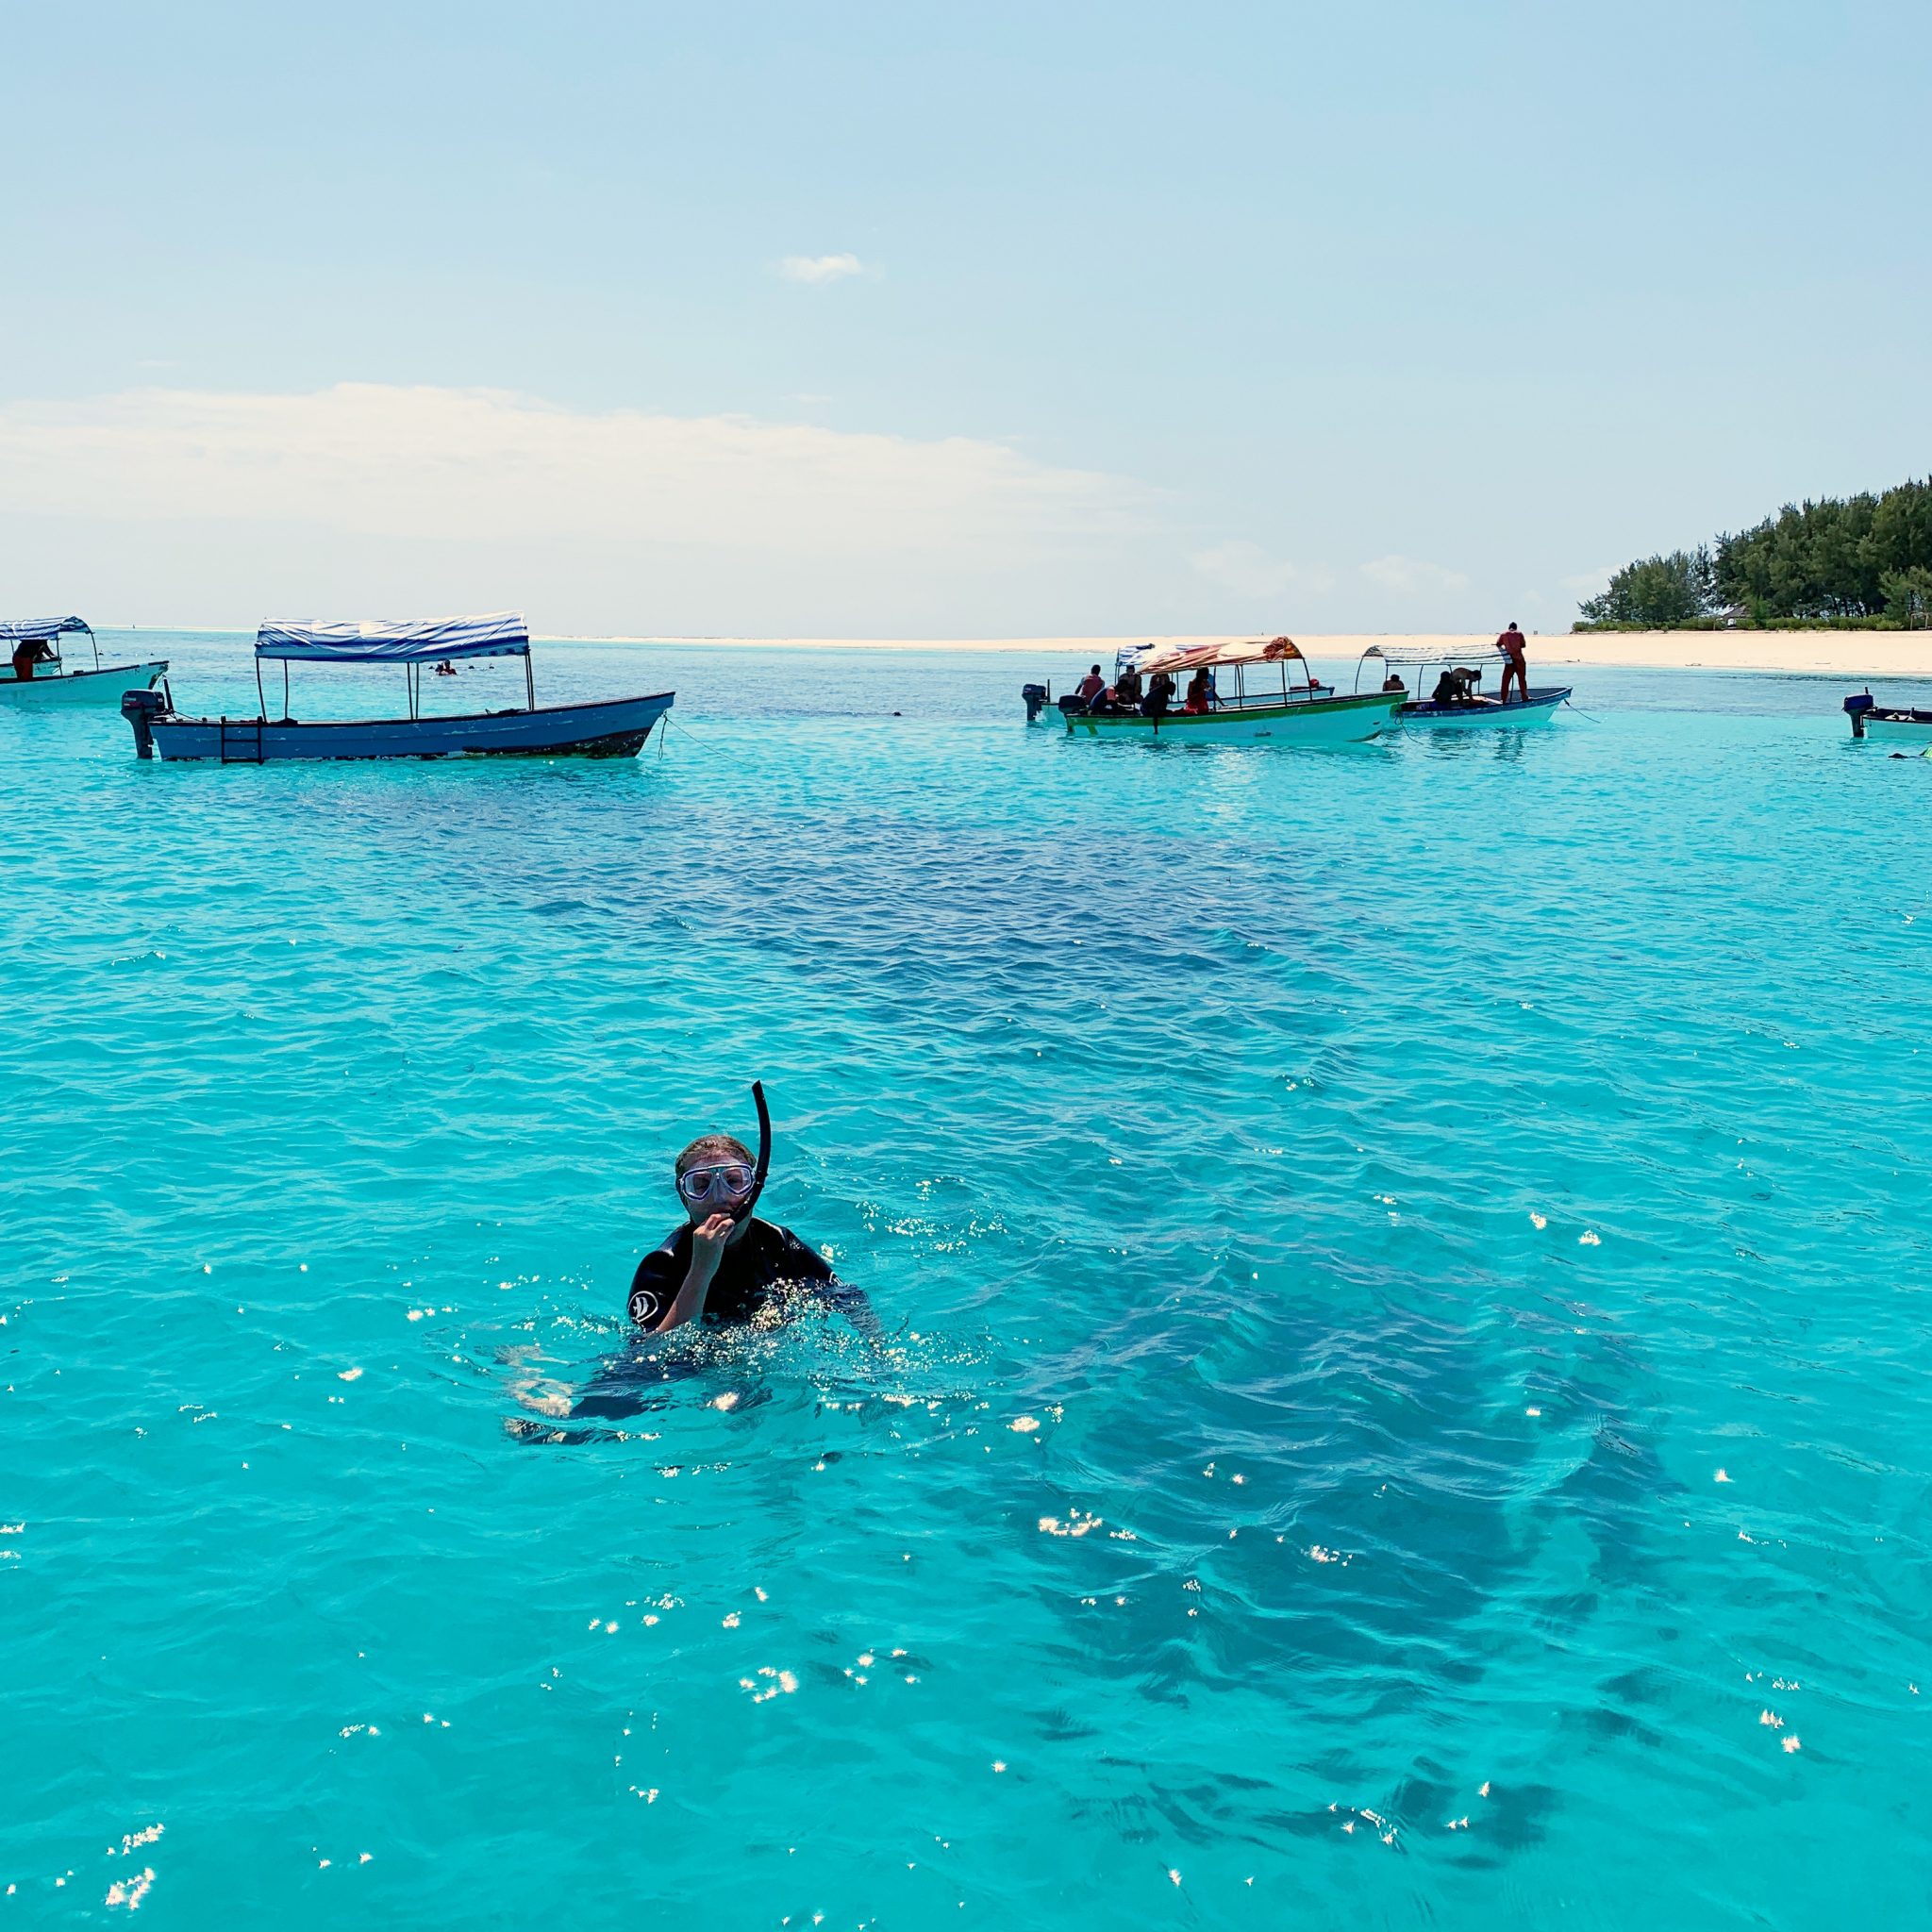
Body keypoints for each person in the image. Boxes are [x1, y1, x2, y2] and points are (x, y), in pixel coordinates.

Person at [626, 1131, 869, 1336]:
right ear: (684, 1198)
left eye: (734, 1181)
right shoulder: (662, 1265)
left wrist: (876, 1351)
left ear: (754, 1190)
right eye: (700, 1186)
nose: (720, 1198)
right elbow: (650, 1356)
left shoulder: (778, 1243)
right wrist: (701, 1270)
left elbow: (849, 1298)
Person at [1496, 622, 1529, 704]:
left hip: (1509, 660)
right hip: (1519, 659)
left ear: (1509, 627)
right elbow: (1523, 645)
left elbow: (1498, 644)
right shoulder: (1519, 634)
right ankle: (1524, 697)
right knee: (1522, 680)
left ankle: (1503, 699)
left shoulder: (1503, 634)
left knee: (1505, 681)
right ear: (1516, 628)